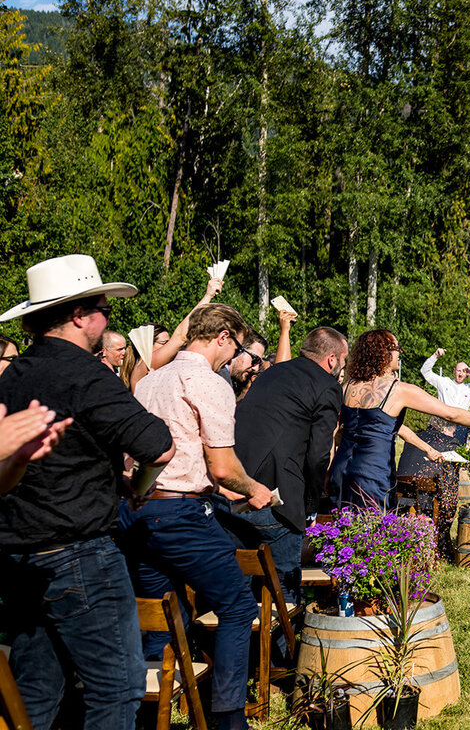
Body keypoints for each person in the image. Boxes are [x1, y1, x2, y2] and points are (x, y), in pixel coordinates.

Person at [0, 253, 176, 730]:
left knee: (35, 693)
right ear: (79, 315)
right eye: (104, 308)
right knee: (117, 688)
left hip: (17, 555)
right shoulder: (85, 373)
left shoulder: (13, 373)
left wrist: (114, 480)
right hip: (78, 553)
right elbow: (158, 447)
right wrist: (138, 487)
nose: (105, 317)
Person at [122, 303, 275, 730]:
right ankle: (228, 718)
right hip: (181, 515)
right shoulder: (206, 382)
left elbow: (185, 460)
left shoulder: (152, 380)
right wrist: (254, 488)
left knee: (161, 612)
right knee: (237, 604)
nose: (236, 356)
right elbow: (223, 465)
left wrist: (218, 486)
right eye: (238, 345)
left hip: (141, 509)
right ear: (223, 336)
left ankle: (154, 713)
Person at [328, 329, 470, 556]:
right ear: (383, 353)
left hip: (341, 471)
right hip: (372, 473)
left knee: (344, 536)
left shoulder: (349, 385)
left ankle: (344, 588)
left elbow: (339, 431)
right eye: (397, 349)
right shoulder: (397, 390)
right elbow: (449, 414)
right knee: (373, 544)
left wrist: (330, 466)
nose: (400, 354)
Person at [224, 326, 347, 602]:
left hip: (234, 489)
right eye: (343, 360)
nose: (343, 367)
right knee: (282, 594)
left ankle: (244, 645)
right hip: (277, 501)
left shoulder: (270, 373)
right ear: (332, 360)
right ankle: (280, 645)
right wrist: (311, 504)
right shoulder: (328, 386)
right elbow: (318, 454)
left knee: (237, 595)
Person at [420, 347, 470, 444]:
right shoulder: (444, 382)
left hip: (461, 426)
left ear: (467, 374)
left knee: (457, 453)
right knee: (437, 451)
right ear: (454, 371)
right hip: (441, 423)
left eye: (464, 371)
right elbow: (425, 372)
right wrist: (435, 356)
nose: (461, 374)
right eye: (459, 371)